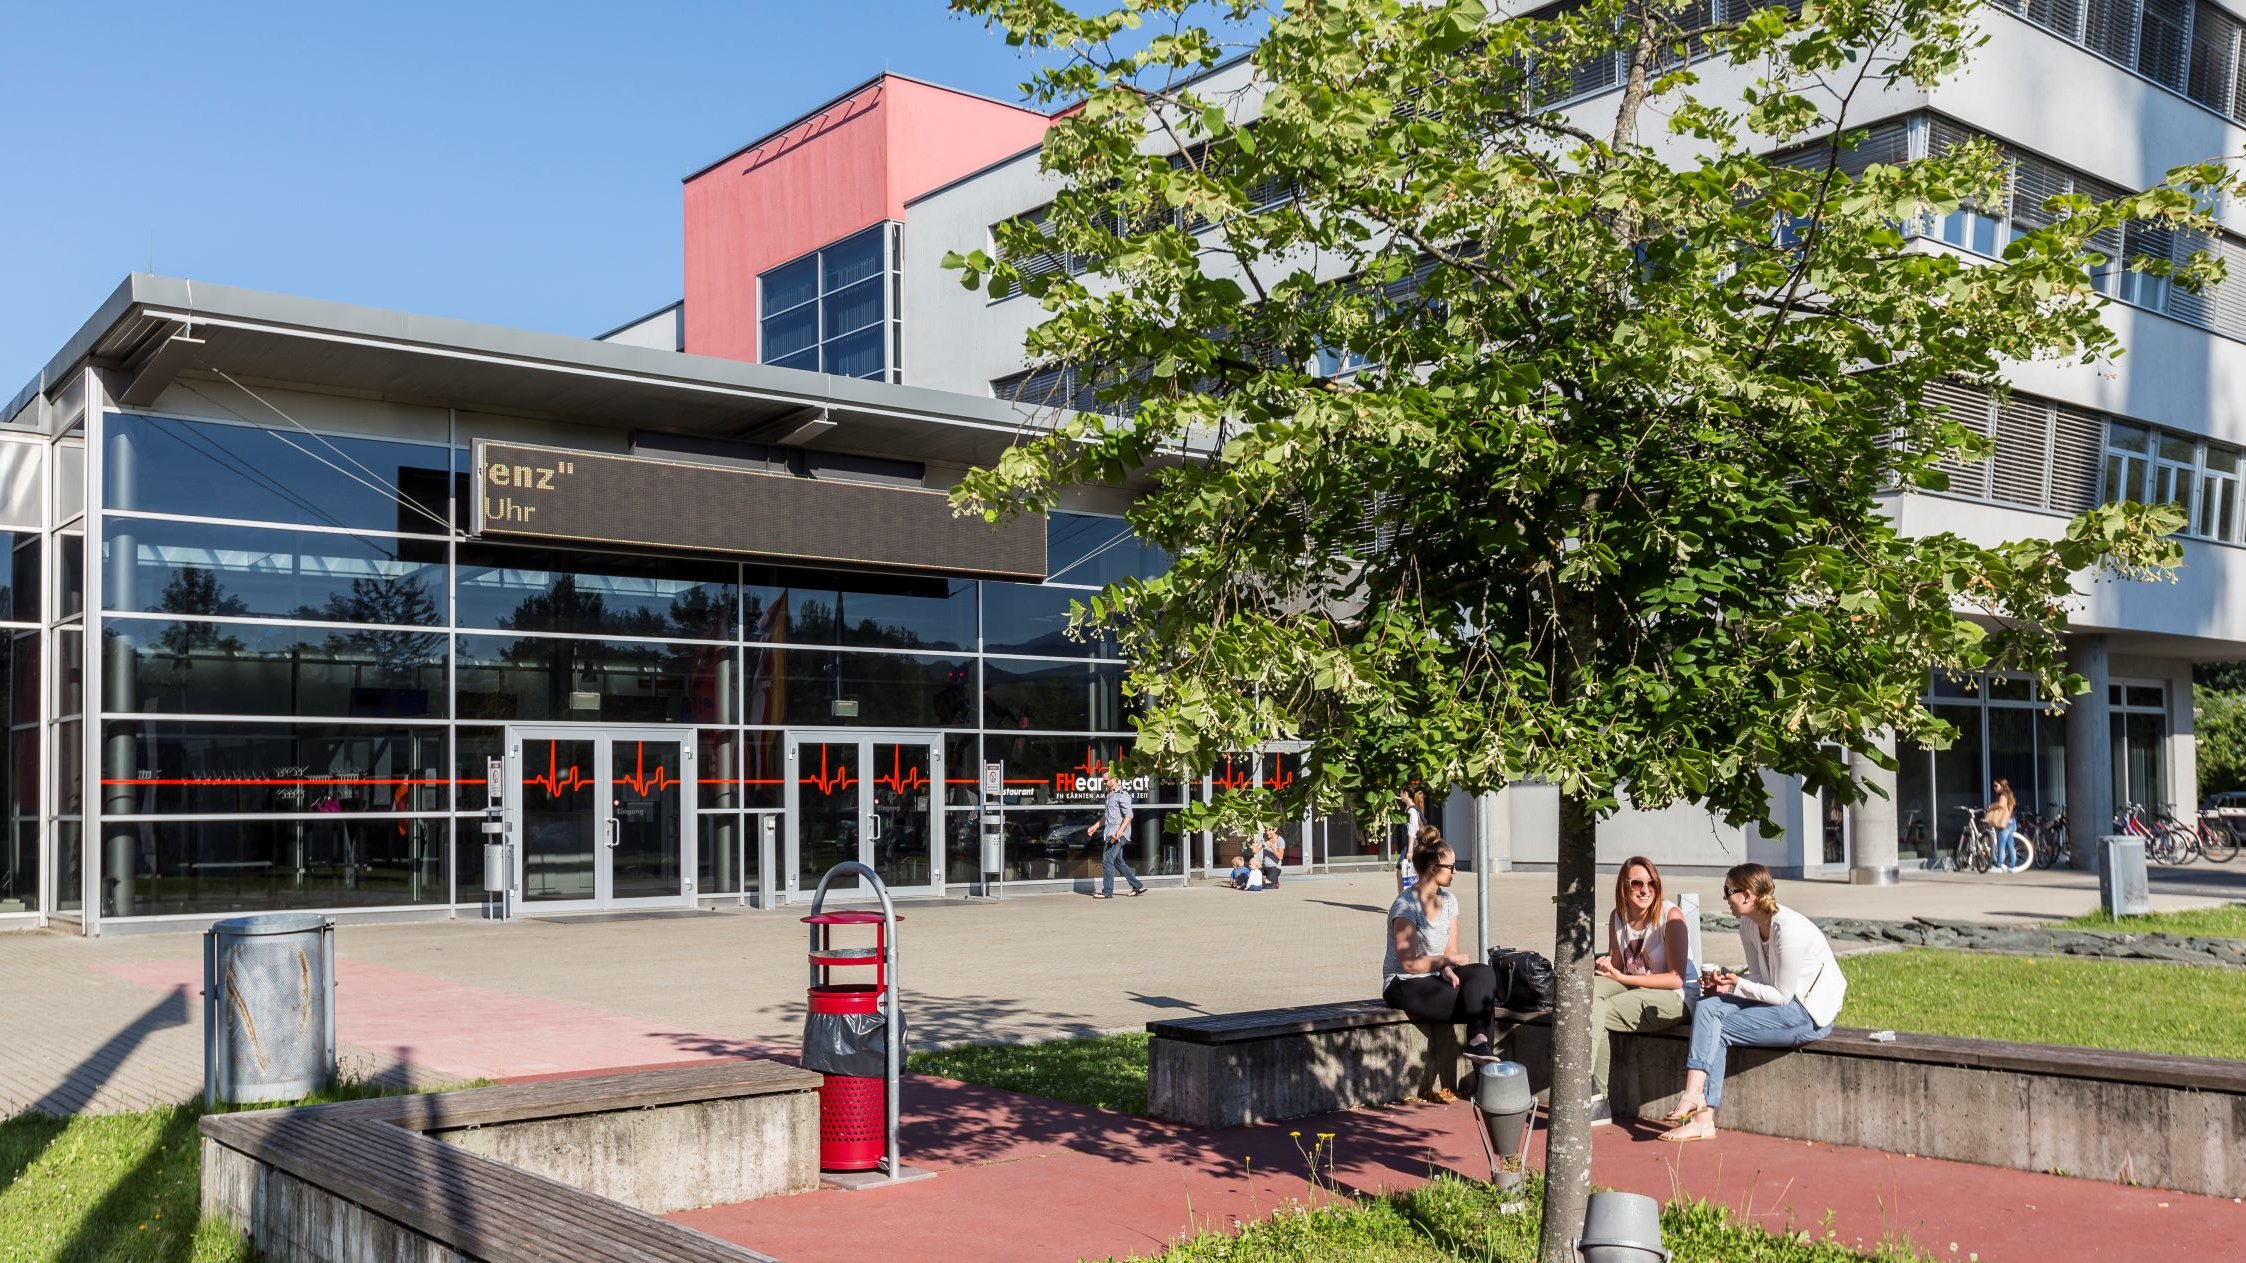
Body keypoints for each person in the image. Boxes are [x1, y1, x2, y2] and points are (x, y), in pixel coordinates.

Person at [1658, 863, 1846, 1143]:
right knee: (1709, 1006)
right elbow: (1758, 976)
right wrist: (1726, 987)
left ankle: (1701, 1114)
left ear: (1747, 896)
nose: (1725, 899)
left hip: (1808, 1014)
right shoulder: (1748, 924)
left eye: (1728, 892)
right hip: (1781, 1005)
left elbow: (1782, 995)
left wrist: (1735, 985)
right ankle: (1697, 1104)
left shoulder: (1788, 929)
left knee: (1715, 1025)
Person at [1588, 856, 1691, 1126]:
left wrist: (1622, 977)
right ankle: (1591, 1095)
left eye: (1652, 884)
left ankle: (1588, 1089)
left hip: (1673, 999)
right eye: (1637, 883)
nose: (1645, 890)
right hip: (1634, 986)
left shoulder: (1671, 916)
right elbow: (1620, 966)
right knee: (1588, 993)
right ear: (1624, 886)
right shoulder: (1617, 916)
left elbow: (1676, 979)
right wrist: (1607, 965)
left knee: (1600, 1010)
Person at [1379, 829, 1500, 1056]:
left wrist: (1447, 968)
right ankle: (1483, 1066)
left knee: (1483, 975)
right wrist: (1449, 960)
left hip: (1435, 977)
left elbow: (1450, 950)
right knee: (1480, 1004)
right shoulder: (1406, 906)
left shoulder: (1448, 901)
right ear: (1433, 869)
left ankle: (1478, 1043)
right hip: (1405, 983)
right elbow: (1409, 964)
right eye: (1451, 867)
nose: (1456, 871)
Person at [1088, 771, 1145, 899]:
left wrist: (1120, 832)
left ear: (1114, 780)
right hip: (1110, 832)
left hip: (1118, 834)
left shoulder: (1123, 795)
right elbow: (1107, 815)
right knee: (1118, 862)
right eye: (1103, 781)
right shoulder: (1109, 795)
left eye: (1106, 781)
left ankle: (1107, 891)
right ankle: (1137, 885)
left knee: (1107, 860)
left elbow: (1129, 815)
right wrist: (1095, 826)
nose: (1104, 783)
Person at [1987, 777, 2019, 871]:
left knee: (2001, 846)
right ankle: (2012, 866)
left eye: (1996, 785)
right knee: (2010, 846)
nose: (1994, 787)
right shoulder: (2009, 794)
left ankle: (1999, 865)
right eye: (1994, 785)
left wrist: (1990, 806)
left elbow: (2000, 804)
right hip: (2012, 822)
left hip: (2005, 824)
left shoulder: (2003, 795)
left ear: (2002, 785)